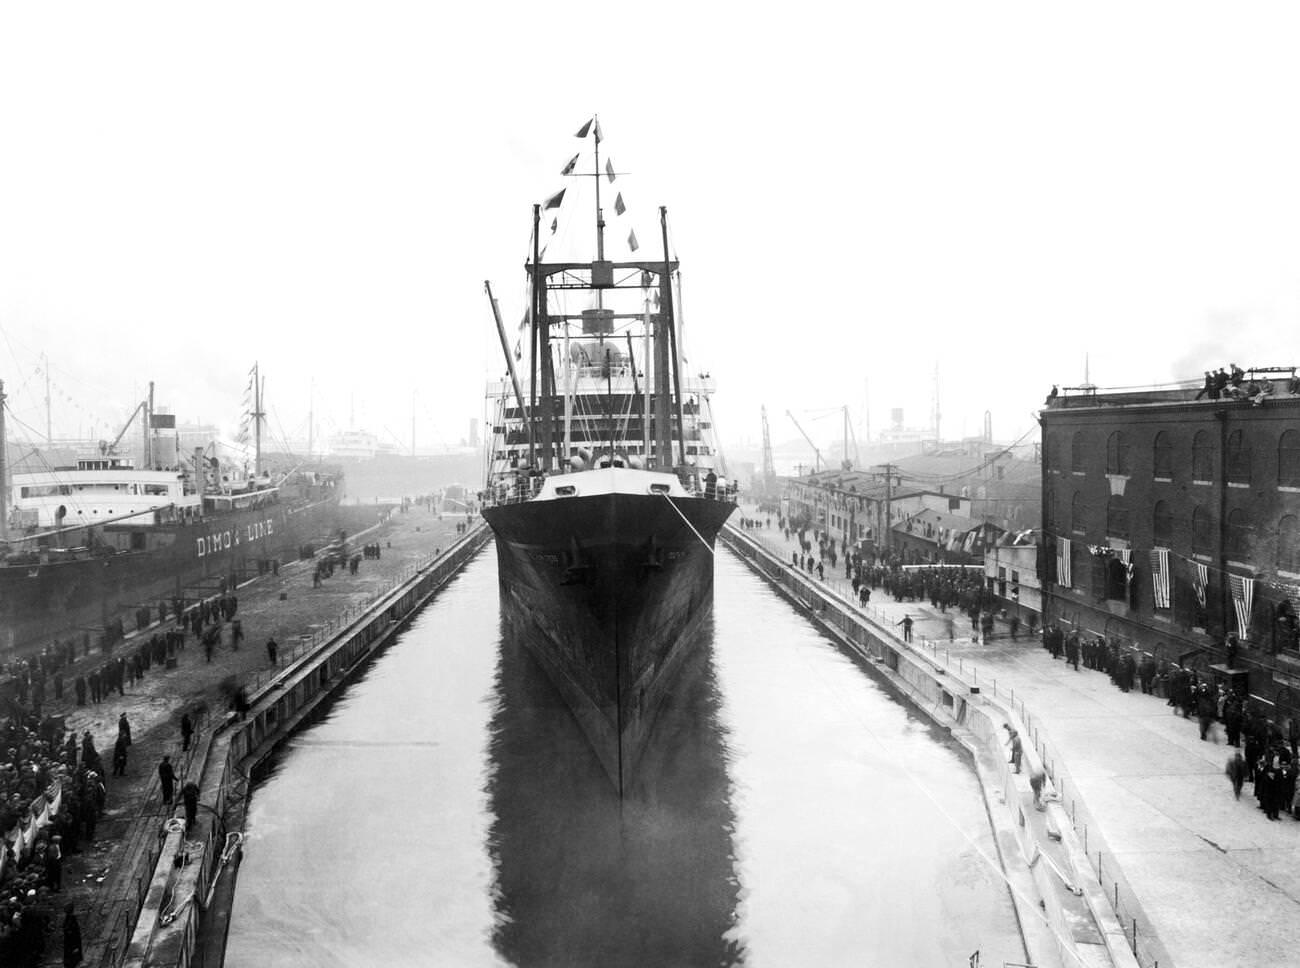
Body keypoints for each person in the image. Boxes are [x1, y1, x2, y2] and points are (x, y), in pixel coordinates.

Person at [63, 902, 83, 968]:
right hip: (71, 943)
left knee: (71, 961)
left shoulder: (69, 919)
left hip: (71, 943)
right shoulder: (71, 919)